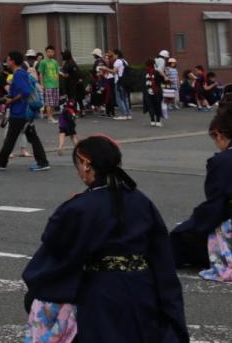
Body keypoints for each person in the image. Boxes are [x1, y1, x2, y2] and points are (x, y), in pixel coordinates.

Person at [21, 135, 187, 343]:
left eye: (78, 165)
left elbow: (56, 246)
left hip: (100, 292)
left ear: (86, 164)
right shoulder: (140, 200)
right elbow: (161, 255)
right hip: (142, 288)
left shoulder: (80, 207)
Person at [170, 105, 232, 279]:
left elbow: (215, 205)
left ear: (218, 134)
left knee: (180, 238)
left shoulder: (221, 161)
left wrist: (192, 223)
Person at [0, 51, 49, 171]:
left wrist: (11, 100)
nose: (6, 62)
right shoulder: (20, 73)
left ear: (13, 61)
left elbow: (25, 92)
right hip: (24, 112)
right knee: (30, 137)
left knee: (11, 137)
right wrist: (8, 98)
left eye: (8, 59)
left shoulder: (19, 74)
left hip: (20, 111)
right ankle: (43, 162)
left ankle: (1, 162)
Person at [37, 46, 60, 123]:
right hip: (48, 85)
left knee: (54, 102)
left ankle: (51, 116)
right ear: (46, 53)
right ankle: (49, 117)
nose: (50, 53)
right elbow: (41, 74)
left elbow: (57, 73)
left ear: (54, 53)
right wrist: (42, 84)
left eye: (51, 52)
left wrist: (58, 83)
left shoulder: (55, 62)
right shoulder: (43, 62)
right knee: (49, 102)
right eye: (48, 52)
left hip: (55, 85)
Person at [111, 48, 132, 120]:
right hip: (125, 82)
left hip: (119, 82)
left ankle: (124, 114)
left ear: (116, 55)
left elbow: (114, 71)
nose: (112, 56)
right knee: (125, 98)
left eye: (113, 55)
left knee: (119, 99)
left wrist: (105, 68)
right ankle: (128, 114)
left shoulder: (117, 61)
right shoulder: (125, 61)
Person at [144, 61, 165, 128]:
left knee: (151, 107)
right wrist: (164, 75)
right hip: (157, 92)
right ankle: (158, 122)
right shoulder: (157, 72)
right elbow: (163, 81)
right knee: (157, 106)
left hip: (148, 92)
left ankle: (152, 121)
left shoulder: (145, 73)